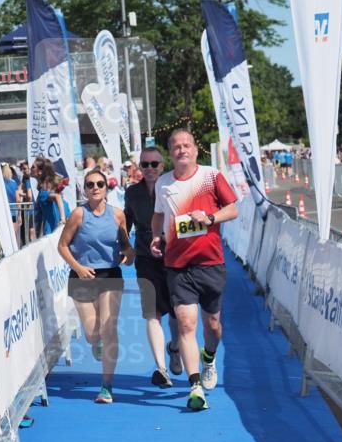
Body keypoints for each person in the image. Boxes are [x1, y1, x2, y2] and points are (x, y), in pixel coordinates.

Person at [150, 129, 238, 411]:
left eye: (186, 145)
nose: (181, 150)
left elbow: (234, 209)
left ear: (195, 150)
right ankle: (195, 386)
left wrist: (210, 217)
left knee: (212, 325)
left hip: (211, 263)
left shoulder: (211, 176)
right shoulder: (163, 184)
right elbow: (159, 216)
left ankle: (209, 357)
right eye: (176, 146)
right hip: (177, 265)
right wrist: (156, 236)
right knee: (186, 324)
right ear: (170, 153)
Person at [58, 168, 135, 404]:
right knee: (93, 335)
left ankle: (106, 387)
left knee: (109, 327)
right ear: (84, 188)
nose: (95, 188)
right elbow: (62, 246)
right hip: (82, 276)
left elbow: (125, 245)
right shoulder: (78, 215)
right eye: (90, 184)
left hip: (110, 275)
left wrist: (129, 254)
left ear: (106, 188)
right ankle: (97, 342)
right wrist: (78, 268)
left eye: (99, 184)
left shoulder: (118, 215)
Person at [124, 146, 182, 387]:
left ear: (163, 164)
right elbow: (126, 220)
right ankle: (161, 368)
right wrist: (124, 245)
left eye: (154, 164)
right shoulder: (132, 193)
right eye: (145, 164)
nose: (149, 169)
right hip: (146, 258)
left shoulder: (174, 187)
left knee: (179, 314)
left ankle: (175, 347)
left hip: (175, 256)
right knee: (152, 313)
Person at [35, 160, 67, 237]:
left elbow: (57, 196)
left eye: (33, 167)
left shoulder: (43, 194)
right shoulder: (64, 201)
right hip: (57, 232)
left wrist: (62, 219)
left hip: (53, 233)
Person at [3, 163, 21, 245]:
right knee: (14, 232)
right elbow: (18, 199)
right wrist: (20, 213)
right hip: (13, 208)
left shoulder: (0, 183)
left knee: (6, 231)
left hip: (4, 208)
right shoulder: (14, 182)